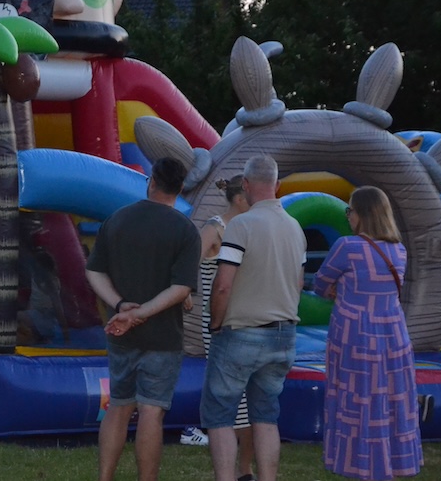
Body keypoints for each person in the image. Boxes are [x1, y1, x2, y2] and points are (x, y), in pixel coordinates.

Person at [85, 157, 201, 481]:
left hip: (120, 332)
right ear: (180, 188)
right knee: (151, 411)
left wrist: (121, 306)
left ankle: (105, 477)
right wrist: (142, 313)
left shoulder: (117, 219)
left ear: (151, 182)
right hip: (164, 336)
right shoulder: (185, 230)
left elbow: (94, 271)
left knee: (119, 406)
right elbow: (181, 288)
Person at [201, 155, 306, 481]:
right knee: (266, 416)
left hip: (241, 331)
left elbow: (223, 285)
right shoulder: (295, 227)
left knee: (220, 415)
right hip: (284, 333)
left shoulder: (240, 225)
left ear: (245, 185)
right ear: (278, 185)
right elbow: (299, 284)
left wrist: (215, 324)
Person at [313, 186, 423, 480]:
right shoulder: (399, 250)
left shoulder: (347, 247)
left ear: (361, 214)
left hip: (356, 335)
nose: (348, 216)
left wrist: (337, 290)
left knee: (357, 399)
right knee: (392, 400)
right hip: (393, 334)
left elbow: (320, 284)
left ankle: (359, 463)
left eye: (349, 210)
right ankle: (392, 463)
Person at [180, 176, 257, 481]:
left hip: (244, 317)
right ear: (239, 198)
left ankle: (244, 468)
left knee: (244, 397)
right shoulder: (216, 228)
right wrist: (186, 290)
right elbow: (190, 260)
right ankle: (243, 469)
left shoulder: (251, 226)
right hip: (220, 319)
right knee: (237, 396)